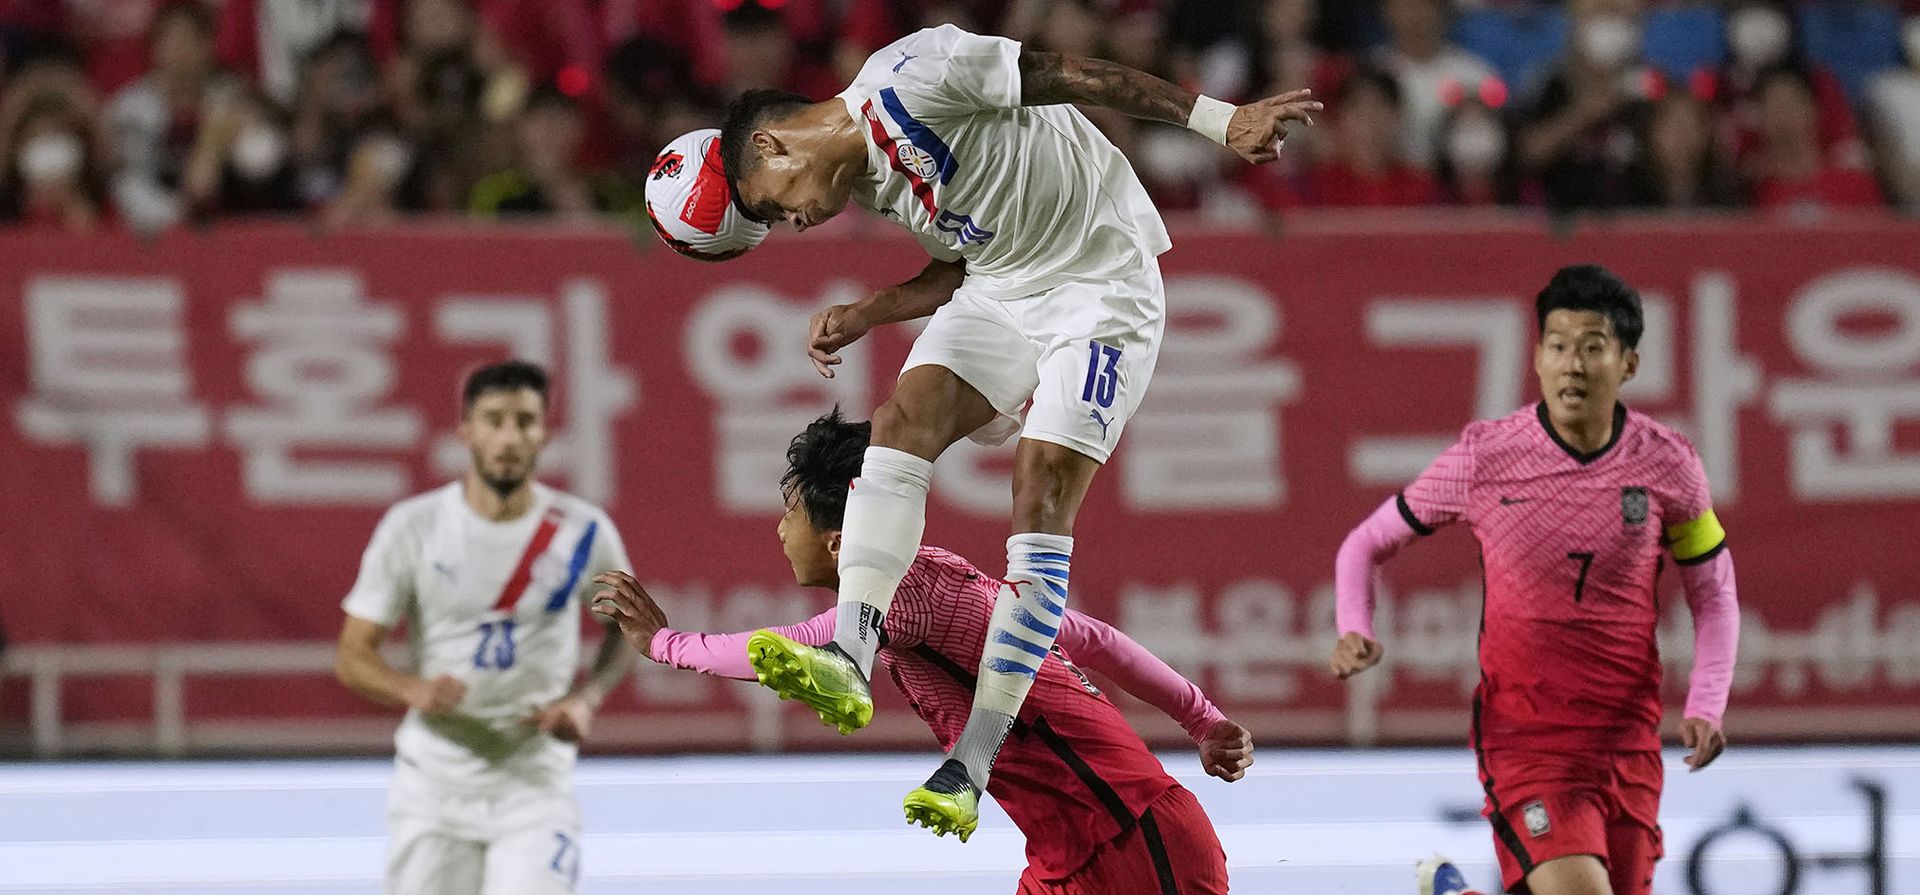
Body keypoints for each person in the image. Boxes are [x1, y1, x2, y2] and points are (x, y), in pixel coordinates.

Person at [710, 22, 1317, 839]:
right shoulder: (877, 186)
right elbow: (966, 256)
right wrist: (871, 311)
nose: (792, 222)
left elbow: (1070, 73)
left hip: (1102, 289)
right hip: (1002, 292)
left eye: (772, 206)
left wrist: (1218, 120)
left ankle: (973, 759)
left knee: (1038, 493)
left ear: (773, 144)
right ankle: (850, 652)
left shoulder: (913, 75)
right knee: (898, 422)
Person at [589, 410, 1252, 893]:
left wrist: (664, 643)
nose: (779, 529)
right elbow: (1095, 639)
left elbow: (796, 647)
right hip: (1067, 855)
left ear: (837, 541)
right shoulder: (944, 584)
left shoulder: (907, 589)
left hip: (1132, 837)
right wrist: (1203, 719)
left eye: (790, 512)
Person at [1330, 265, 1742, 895]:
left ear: (1629, 363)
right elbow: (1366, 544)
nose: (1573, 365)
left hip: (1628, 742)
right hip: (1526, 739)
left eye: (1593, 347)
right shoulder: (1486, 456)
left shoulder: (1668, 465)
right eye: (1558, 346)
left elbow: (1713, 594)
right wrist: (1354, 626)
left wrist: (1707, 703)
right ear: (1538, 358)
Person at [333, 360, 634, 895]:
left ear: (544, 433)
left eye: (525, 421)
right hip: (434, 786)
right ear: (465, 431)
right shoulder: (415, 527)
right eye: (494, 420)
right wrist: (413, 690)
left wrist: (586, 699)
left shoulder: (584, 531)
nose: (509, 437)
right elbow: (353, 654)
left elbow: (630, 629)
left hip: (534, 784)